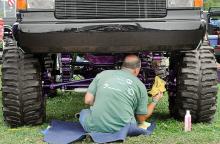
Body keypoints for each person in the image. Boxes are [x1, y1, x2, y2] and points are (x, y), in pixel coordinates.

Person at [79, 54, 163, 133]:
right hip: (125, 128)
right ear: (137, 69)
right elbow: (141, 118)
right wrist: (154, 101)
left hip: (93, 127)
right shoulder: (140, 86)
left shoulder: (103, 74)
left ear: (123, 66)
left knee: (84, 112)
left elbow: (88, 100)